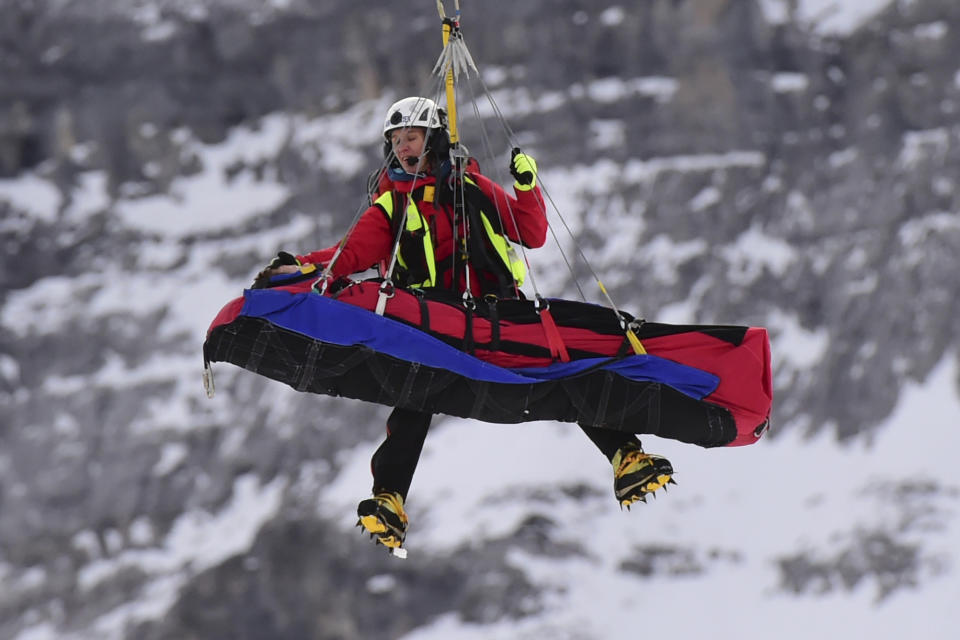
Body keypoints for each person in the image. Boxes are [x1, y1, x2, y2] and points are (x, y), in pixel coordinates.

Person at [261, 97, 673, 551]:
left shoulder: (472, 187)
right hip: (434, 321)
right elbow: (347, 256)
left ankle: (626, 456)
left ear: (433, 138)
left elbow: (530, 233)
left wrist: (527, 187)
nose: (402, 148)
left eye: (411, 137)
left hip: (499, 312)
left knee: (562, 368)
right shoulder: (391, 208)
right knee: (412, 397)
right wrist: (298, 269)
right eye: (395, 141)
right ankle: (389, 500)